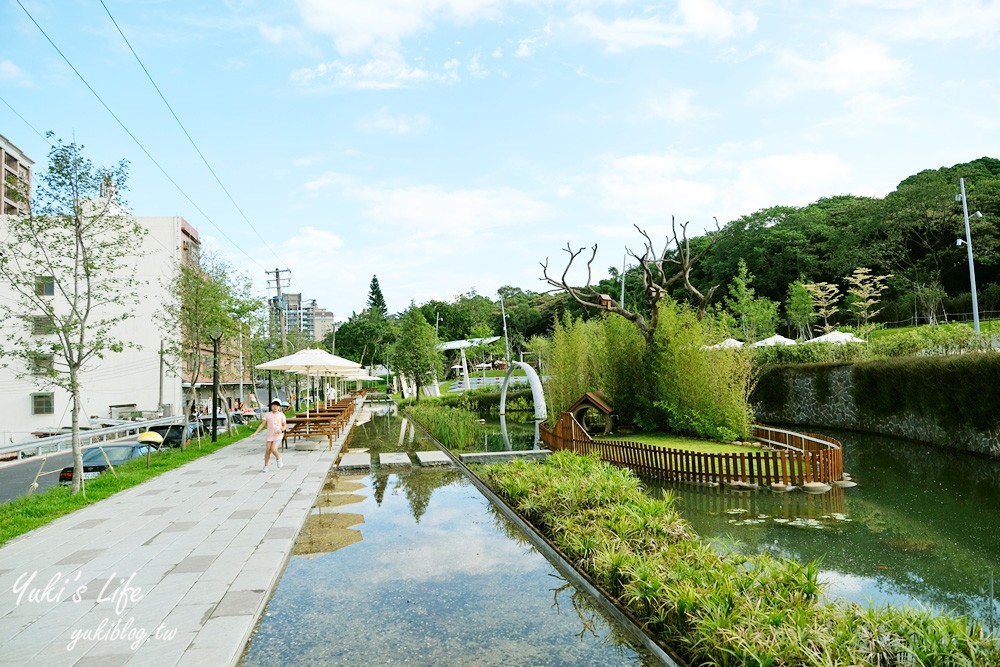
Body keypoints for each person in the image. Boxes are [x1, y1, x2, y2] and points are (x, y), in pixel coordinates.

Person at [253, 400, 286, 472]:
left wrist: (281, 430)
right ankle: (265, 466)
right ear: (271, 406)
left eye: (277, 405)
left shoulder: (281, 415)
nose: (275, 407)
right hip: (270, 435)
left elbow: (284, 425)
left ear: (279, 407)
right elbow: (262, 424)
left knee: (273, 449)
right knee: (268, 450)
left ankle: (278, 459)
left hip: (278, 435)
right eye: (273, 405)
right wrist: (256, 433)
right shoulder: (268, 414)